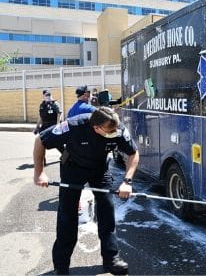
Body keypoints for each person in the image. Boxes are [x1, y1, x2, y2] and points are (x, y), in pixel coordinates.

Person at [33, 107, 139, 275]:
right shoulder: (73, 126)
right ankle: (61, 266)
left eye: (115, 130)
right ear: (95, 127)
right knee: (67, 216)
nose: (114, 133)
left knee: (107, 209)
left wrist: (127, 181)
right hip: (72, 168)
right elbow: (40, 140)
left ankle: (111, 259)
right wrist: (39, 173)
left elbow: (133, 153)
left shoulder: (116, 128)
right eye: (109, 131)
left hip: (100, 169)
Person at [34, 90, 63, 163]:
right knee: (41, 143)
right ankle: (42, 160)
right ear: (43, 96)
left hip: (53, 125)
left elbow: (59, 113)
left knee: (57, 143)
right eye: (46, 95)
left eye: (49, 95)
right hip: (44, 126)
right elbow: (40, 117)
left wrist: (57, 124)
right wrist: (37, 126)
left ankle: (66, 155)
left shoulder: (54, 103)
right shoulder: (42, 105)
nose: (47, 96)